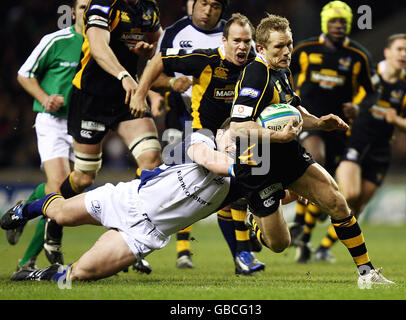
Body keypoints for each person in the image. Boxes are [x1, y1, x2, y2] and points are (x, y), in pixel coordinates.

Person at [1, 120, 284, 282]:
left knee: (81, 273)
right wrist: (241, 169)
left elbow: (275, 195)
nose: (235, 147)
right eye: (233, 140)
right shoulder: (203, 139)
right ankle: (24, 210)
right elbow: (209, 161)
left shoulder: (243, 179)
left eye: (242, 144)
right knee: (61, 213)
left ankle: (40, 275)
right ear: (222, 134)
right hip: (126, 200)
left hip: (146, 236)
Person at [228, 13, 393, 286]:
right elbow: (238, 127)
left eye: (289, 44)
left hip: (287, 153)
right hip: (258, 163)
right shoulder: (255, 74)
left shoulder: (282, 70)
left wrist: (318, 123)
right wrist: (275, 136)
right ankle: (254, 223)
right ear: (261, 49)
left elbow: (292, 110)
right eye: (279, 46)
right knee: (280, 243)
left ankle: (367, 273)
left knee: (337, 201)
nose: (287, 51)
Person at [131, 13, 265, 275]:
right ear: (224, 40)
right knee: (185, 195)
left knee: (238, 189)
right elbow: (159, 59)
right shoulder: (203, 59)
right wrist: (141, 92)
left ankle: (244, 251)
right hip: (201, 134)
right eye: (236, 40)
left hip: (237, 135)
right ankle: (140, 234)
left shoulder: (255, 65)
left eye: (246, 41)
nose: (242, 46)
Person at [53, 0, 163, 274]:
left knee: (151, 160)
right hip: (92, 96)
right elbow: (99, 47)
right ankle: (53, 221)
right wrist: (125, 75)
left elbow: (154, 45)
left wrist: (146, 52)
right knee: (84, 177)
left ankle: (127, 237)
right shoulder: (103, 3)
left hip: (126, 97)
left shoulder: (150, 7)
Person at [313, 33, 406, 259]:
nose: (404, 54)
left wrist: (397, 120)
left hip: (381, 151)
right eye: (400, 49)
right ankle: (321, 205)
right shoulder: (367, 76)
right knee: (350, 194)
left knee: (359, 204)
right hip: (355, 141)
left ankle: (323, 247)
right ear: (387, 52)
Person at [288, 0, 377, 263]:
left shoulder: (358, 56)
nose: (338, 26)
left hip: (341, 129)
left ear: (348, 25)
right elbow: (282, 76)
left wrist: (358, 107)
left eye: (343, 22)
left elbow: (371, 95)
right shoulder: (305, 50)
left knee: (330, 187)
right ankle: (297, 224)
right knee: (317, 157)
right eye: (333, 21)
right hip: (310, 122)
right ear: (325, 23)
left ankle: (303, 235)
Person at [7, 0, 88, 270]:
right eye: (83, 7)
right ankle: (28, 260)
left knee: (78, 183)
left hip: (82, 124)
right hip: (52, 121)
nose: (89, 13)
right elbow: (24, 74)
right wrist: (44, 98)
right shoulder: (55, 40)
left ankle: (25, 208)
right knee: (58, 191)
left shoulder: (105, 47)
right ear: (73, 11)